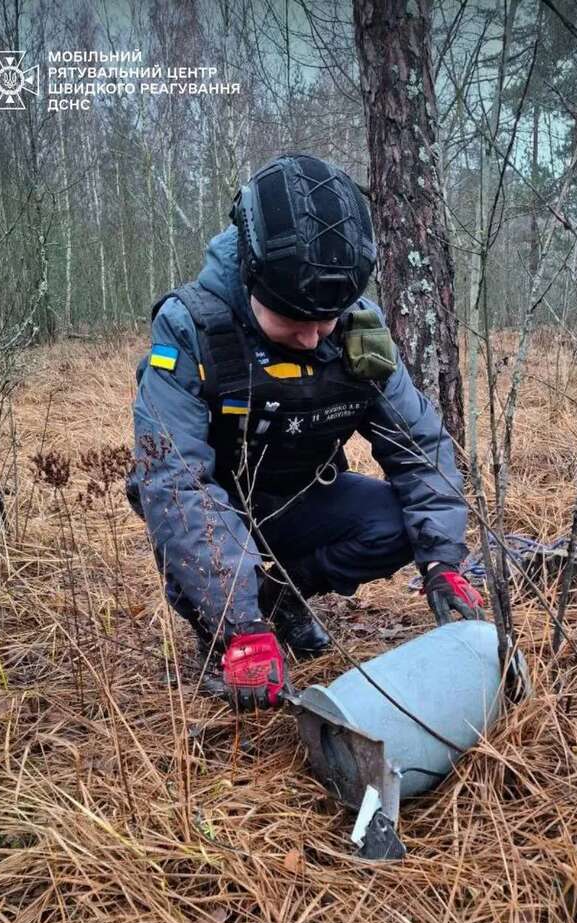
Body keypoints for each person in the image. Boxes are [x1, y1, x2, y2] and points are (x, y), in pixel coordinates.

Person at [127, 152, 483, 710]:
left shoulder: (356, 331)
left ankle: (280, 595)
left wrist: (444, 562)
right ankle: (231, 623)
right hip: (220, 510)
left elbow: (420, 450)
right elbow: (176, 483)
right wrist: (237, 621)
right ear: (251, 275)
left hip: (299, 498)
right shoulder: (191, 327)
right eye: (294, 321)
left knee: (393, 523)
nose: (316, 338)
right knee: (200, 571)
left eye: (327, 320)